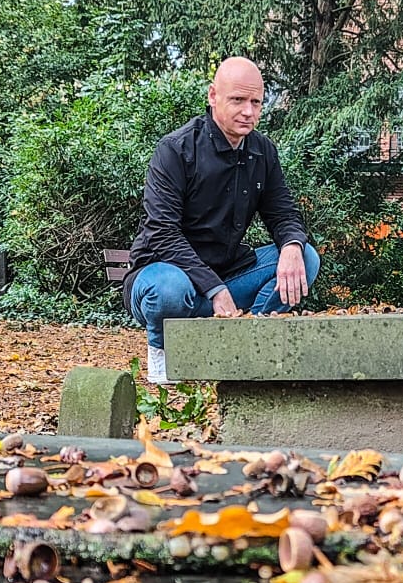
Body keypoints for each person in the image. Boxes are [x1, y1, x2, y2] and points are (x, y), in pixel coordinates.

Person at [123, 57, 320, 384]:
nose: (248, 111)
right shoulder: (175, 149)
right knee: (169, 288)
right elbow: (163, 233)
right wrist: (213, 288)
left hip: (228, 276)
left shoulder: (262, 152)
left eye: (256, 102)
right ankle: (162, 355)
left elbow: (283, 212)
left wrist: (291, 245)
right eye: (238, 100)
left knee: (305, 259)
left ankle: (246, 342)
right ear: (213, 96)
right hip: (163, 275)